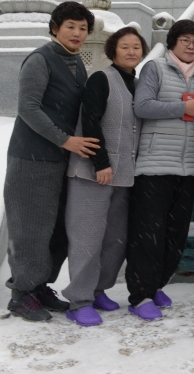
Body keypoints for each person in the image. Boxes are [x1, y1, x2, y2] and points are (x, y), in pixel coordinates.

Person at [3, 1, 96, 321]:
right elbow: (28, 108)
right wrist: (65, 140)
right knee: (30, 229)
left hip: (60, 161)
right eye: (71, 26)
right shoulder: (40, 59)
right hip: (32, 158)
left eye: (83, 28)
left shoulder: (76, 63)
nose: (77, 33)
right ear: (55, 27)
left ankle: (40, 285)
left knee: (56, 229)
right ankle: (21, 293)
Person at [63, 26, 148, 326]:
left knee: (115, 240)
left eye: (136, 47)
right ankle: (79, 299)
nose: (131, 51)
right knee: (86, 238)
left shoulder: (138, 84)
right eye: (124, 46)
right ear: (112, 50)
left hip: (124, 175)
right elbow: (90, 119)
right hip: (92, 172)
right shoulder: (102, 78)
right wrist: (100, 162)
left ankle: (98, 289)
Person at [127, 19, 194, 321]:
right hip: (153, 167)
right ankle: (140, 295)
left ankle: (156, 284)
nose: (191, 46)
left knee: (175, 236)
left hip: (188, 167)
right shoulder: (156, 69)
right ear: (173, 42)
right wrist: (181, 108)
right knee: (149, 234)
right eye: (186, 40)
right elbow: (142, 106)